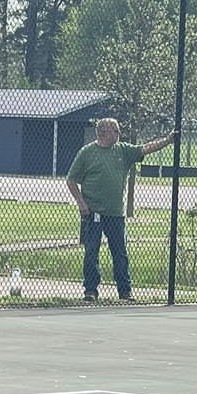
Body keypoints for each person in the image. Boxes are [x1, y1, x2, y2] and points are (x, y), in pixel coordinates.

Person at [66, 117, 177, 303]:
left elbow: (145, 148)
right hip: (94, 212)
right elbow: (71, 180)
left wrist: (167, 140)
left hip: (115, 213)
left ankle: (124, 291)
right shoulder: (87, 153)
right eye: (114, 131)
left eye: (118, 131)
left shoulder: (123, 150)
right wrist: (81, 203)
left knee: (120, 252)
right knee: (91, 251)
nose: (118, 134)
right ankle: (90, 290)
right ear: (102, 133)